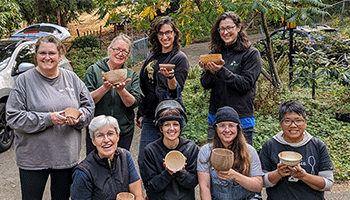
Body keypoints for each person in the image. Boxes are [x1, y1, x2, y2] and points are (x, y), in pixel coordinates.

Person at [5, 35, 95, 200]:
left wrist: (79, 119)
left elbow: (89, 107)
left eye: (52, 53)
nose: (47, 57)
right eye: (42, 53)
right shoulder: (24, 81)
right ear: (36, 56)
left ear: (60, 55)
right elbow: (13, 116)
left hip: (66, 158)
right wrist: (48, 119)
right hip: (33, 159)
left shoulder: (72, 78)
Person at [199, 12, 262, 145]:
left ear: (238, 28)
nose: (225, 32)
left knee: (241, 163)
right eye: (222, 29)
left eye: (229, 28)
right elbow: (205, 84)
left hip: (241, 120)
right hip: (216, 120)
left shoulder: (251, 54)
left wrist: (221, 71)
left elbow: (245, 84)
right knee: (216, 161)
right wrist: (210, 72)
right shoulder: (214, 54)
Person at [137, 16, 189, 165]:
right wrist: (141, 113)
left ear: (174, 34)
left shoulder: (179, 58)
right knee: (145, 160)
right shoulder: (153, 55)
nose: (165, 36)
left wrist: (171, 78)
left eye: (168, 32)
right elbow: (145, 86)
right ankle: (151, 188)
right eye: (160, 33)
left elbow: (175, 93)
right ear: (156, 35)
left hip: (169, 116)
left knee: (169, 160)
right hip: (149, 116)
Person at [259, 100, 334, 200]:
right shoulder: (270, 145)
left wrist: (303, 176)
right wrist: (278, 173)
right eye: (287, 120)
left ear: (305, 122)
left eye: (298, 120)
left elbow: (328, 184)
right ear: (280, 124)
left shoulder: (317, 145)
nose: (293, 125)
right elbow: (261, 182)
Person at [83, 33, 143, 152]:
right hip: (97, 131)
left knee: (120, 166)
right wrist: (105, 88)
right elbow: (86, 100)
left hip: (123, 131)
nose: (120, 54)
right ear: (109, 50)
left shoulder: (132, 75)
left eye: (125, 51)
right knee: (95, 167)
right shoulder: (94, 70)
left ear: (128, 55)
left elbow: (133, 103)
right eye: (117, 49)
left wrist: (121, 90)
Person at [197, 106, 263, 200]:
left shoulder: (249, 151)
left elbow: (258, 186)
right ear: (216, 129)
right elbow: (205, 187)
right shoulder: (206, 151)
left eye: (231, 125)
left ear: (238, 128)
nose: (227, 130)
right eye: (222, 126)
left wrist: (236, 176)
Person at [70, 115, 143, 200]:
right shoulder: (83, 173)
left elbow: (138, 196)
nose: (106, 140)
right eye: (100, 135)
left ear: (118, 136)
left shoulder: (125, 156)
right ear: (93, 141)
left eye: (110, 134)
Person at [140, 100, 198, 200]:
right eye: (167, 124)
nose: (172, 129)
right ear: (161, 128)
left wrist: (180, 171)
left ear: (180, 127)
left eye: (175, 124)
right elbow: (151, 187)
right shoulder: (150, 151)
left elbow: (193, 182)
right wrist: (168, 173)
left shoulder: (190, 148)